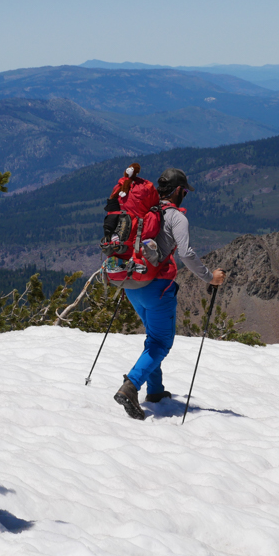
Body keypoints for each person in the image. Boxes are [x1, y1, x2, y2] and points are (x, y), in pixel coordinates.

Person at [113, 168, 226, 421]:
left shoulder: (145, 211)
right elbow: (185, 253)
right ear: (177, 191)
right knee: (162, 343)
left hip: (133, 285)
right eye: (185, 191)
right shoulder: (177, 218)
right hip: (157, 288)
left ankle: (155, 391)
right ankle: (131, 386)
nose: (185, 195)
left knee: (153, 338)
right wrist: (210, 276)